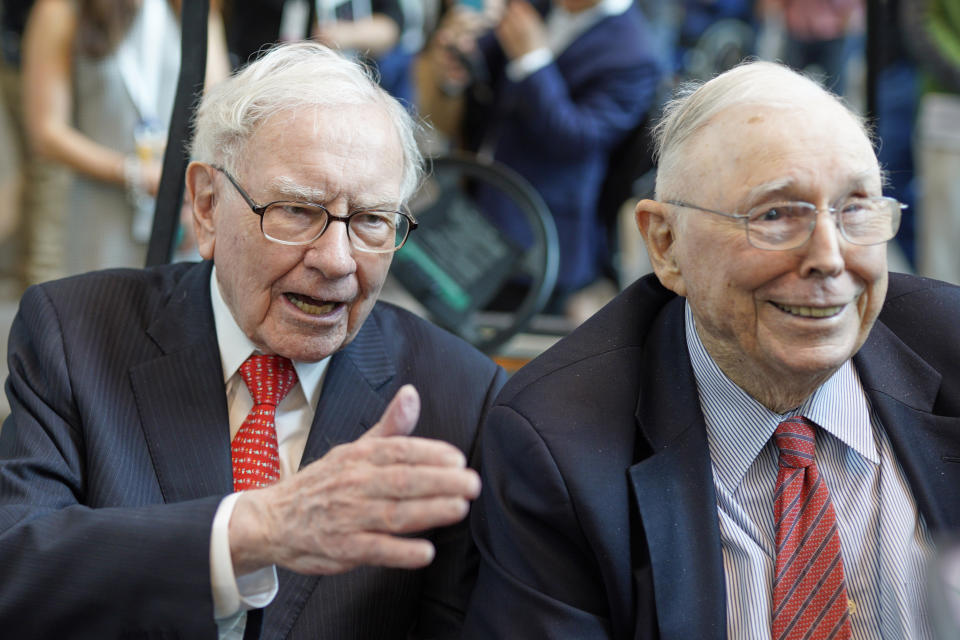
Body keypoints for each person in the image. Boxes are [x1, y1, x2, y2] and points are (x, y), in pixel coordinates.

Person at [0, 41, 506, 639]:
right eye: (297, 210)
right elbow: (17, 571)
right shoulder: (75, 330)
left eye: (371, 220)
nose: (338, 261)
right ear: (207, 206)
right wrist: (251, 533)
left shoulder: (462, 396)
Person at [463, 60, 960, 638]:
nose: (829, 257)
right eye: (775, 215)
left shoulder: (952, 350)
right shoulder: (558, 442)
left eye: (854, 209)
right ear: (665, 244)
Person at [422, 0, 660, 314]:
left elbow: (576, 140)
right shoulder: (540, 7)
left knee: (516, 343)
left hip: (541, 231)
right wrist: (462, 50)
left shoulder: (635, 53)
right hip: (480, 198)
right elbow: (489, 66)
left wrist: (532, 61)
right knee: (447, 316)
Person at [21, 0, 230, 274]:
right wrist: (134, 172)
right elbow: (46, 132)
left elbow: (217, 109)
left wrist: (192, 187)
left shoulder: (193, 8)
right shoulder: (62, 10)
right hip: (101, 206)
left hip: (182, 204)